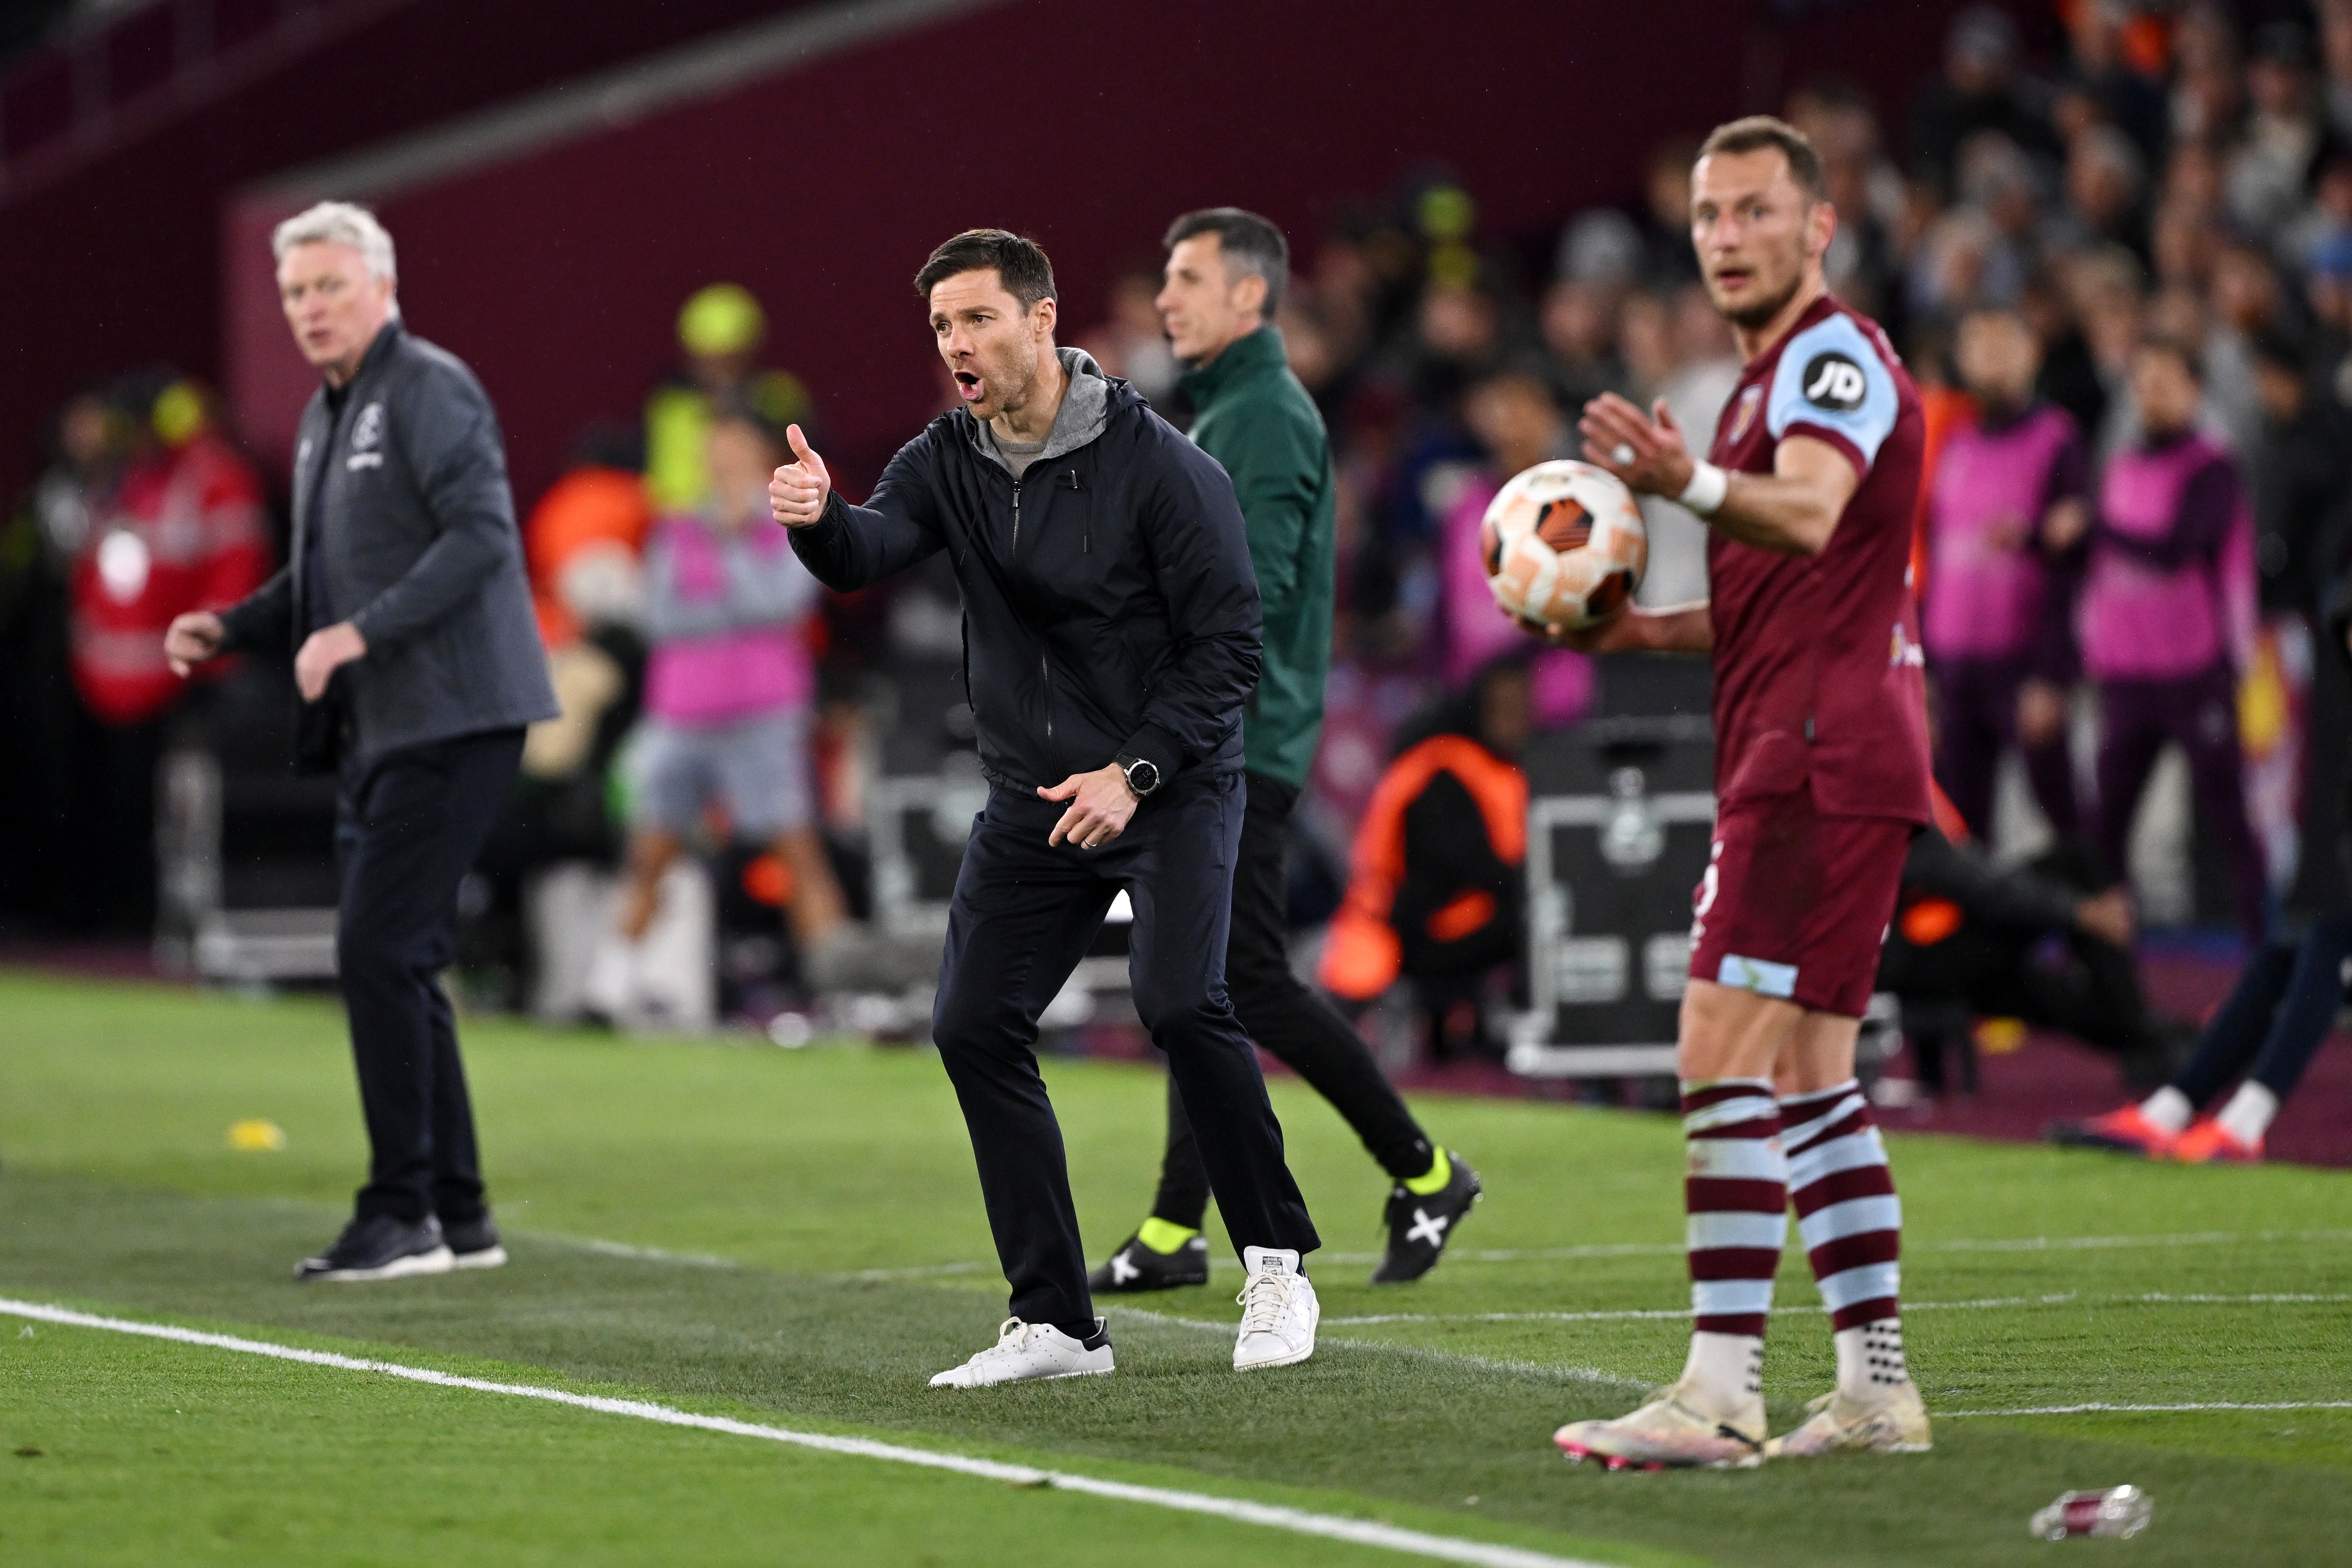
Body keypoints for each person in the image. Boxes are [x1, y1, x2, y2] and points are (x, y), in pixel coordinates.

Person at [769, 228, 1321, 1386]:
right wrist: (818, 517)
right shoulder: (946, 456)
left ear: (1041, 320)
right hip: (1037, 795)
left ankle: (1274, 1259)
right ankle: (1057, 1322)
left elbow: (1230, 647)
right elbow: (869, 549)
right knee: (972, 1023)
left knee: (1181, 1002)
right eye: (939, 329)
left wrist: (1138, 773)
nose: (955, 346)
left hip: (1165, 783)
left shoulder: (1163, 467)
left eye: (975, 320)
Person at [1552, 116, 1935, 1465]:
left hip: (1817, 751)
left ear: (1817, 225)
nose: (1725, 238)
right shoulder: (1766, 377)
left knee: (1716, 1050)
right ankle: (1875, 1388)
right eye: (1709, 216)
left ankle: (1719, 1390)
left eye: (1754, 212)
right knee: (1813, 1073)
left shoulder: (1830, 360)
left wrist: (1682, 480)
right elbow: (1794, 576)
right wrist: (1651, 627)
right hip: (1834, 737)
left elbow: (1812, 512)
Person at [1082, 209, 1482, 1297]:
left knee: (1236, 976)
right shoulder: (1235, 410)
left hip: (1234, 736)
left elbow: (1231, 589)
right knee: (1195, 978)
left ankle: (1427, 1168)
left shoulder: (1257, 416)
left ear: (1251, 297)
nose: (1167, 299)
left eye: (1189, 278)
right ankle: (1173, 1230)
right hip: (1228, 732)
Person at [165, 201, 558, 1282]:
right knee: (404, 957)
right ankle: (458, 1212)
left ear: (382, 286)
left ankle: (402, 1212)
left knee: (379, 951)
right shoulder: (327, 411)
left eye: (329, 285)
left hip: (457, 711)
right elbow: (329, 575)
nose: (310, 308)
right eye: (294, 292)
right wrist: (239, 626)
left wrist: (356, 633)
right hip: (390, 724)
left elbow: (483, 536)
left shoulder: (428, 387)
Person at [597, 402, 887, 1001]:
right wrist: (727, 592)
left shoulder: (791, 519)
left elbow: (784, 601)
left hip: (764, 716)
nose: (722, 460)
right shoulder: (675, 527)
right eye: (714, 447)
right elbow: (656, 616)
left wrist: (727, 552)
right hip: (680, 715)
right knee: (651, 850)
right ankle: (607, 987)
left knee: (797, 848)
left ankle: (840, 990)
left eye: (734, 448)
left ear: (759, 456)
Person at [2080, 336, 2265, 938]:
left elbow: (2176, 547)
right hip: (2127, 675)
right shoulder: (2124, 466)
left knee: (2231, 818)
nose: (2152, 393)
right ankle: (2111, 958)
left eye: (2165, 380)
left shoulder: (2212, 468)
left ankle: (2263, 953)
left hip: (2193, 670)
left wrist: (2097, 524)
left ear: (2195, 390)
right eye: (2144, 380)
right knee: (2107, 824)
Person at [1880, 785, 2182, 1090]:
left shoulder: (1910, 775)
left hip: (1932, 937)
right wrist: (2078, 911)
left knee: (2033, 984)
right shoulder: (1891, 782)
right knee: (2073, 866)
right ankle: (2146, 1037)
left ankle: (2146, 1039)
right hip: (1913, 954)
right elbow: (1968, 879)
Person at [1921, 305, 2089, 842]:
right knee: (1964, 822)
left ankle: (2096, 917)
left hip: (2023, 662)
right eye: (1978, 346)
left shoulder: (2057, 439)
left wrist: (2053, 674)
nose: (1990, 359)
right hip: (1953, 665)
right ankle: (1975, 928)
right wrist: (1923, 666)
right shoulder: (1954, 440)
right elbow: (1934, 554)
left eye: (2003, 345)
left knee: (2058, 808)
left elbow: (2072, 568)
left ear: (2030, 354)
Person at [1319, 658, 1530, 1063]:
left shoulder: (1491, 766)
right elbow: (1459, 863)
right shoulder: (1447, 768)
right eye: (1504, 707)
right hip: (1410, 927)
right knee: (1536, 918)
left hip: (1441, 918)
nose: (1516, 719)